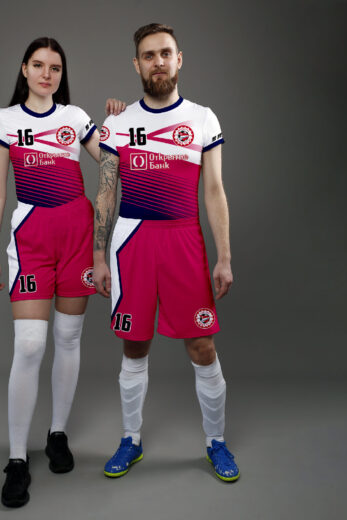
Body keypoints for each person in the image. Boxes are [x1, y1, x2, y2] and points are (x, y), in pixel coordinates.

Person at [93, 23, 240, 482]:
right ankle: (130, 439)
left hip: (184, 242)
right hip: (132, 242)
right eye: (148, 55)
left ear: (179, 60)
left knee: (202, 345)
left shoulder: (203, 118)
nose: (158, 61)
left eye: (165, 53)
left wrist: (224, 257)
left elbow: (214, 191)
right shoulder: (118, 123)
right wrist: (98, 256)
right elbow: (106, 193)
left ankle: (216, 442)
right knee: (134, 345)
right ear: (136, 65)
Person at [0, 36, 125, 508]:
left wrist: (117, 123)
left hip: (77, 237)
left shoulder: (75, 117)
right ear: (24, 69)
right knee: (29, 345)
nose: (47, 74)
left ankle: (57, 434)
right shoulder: (5, 121)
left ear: (61, 75)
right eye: (39, 65)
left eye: (56, 68)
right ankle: (16, 460)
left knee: (68, 338)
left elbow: (114, 162)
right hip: (32, 238)